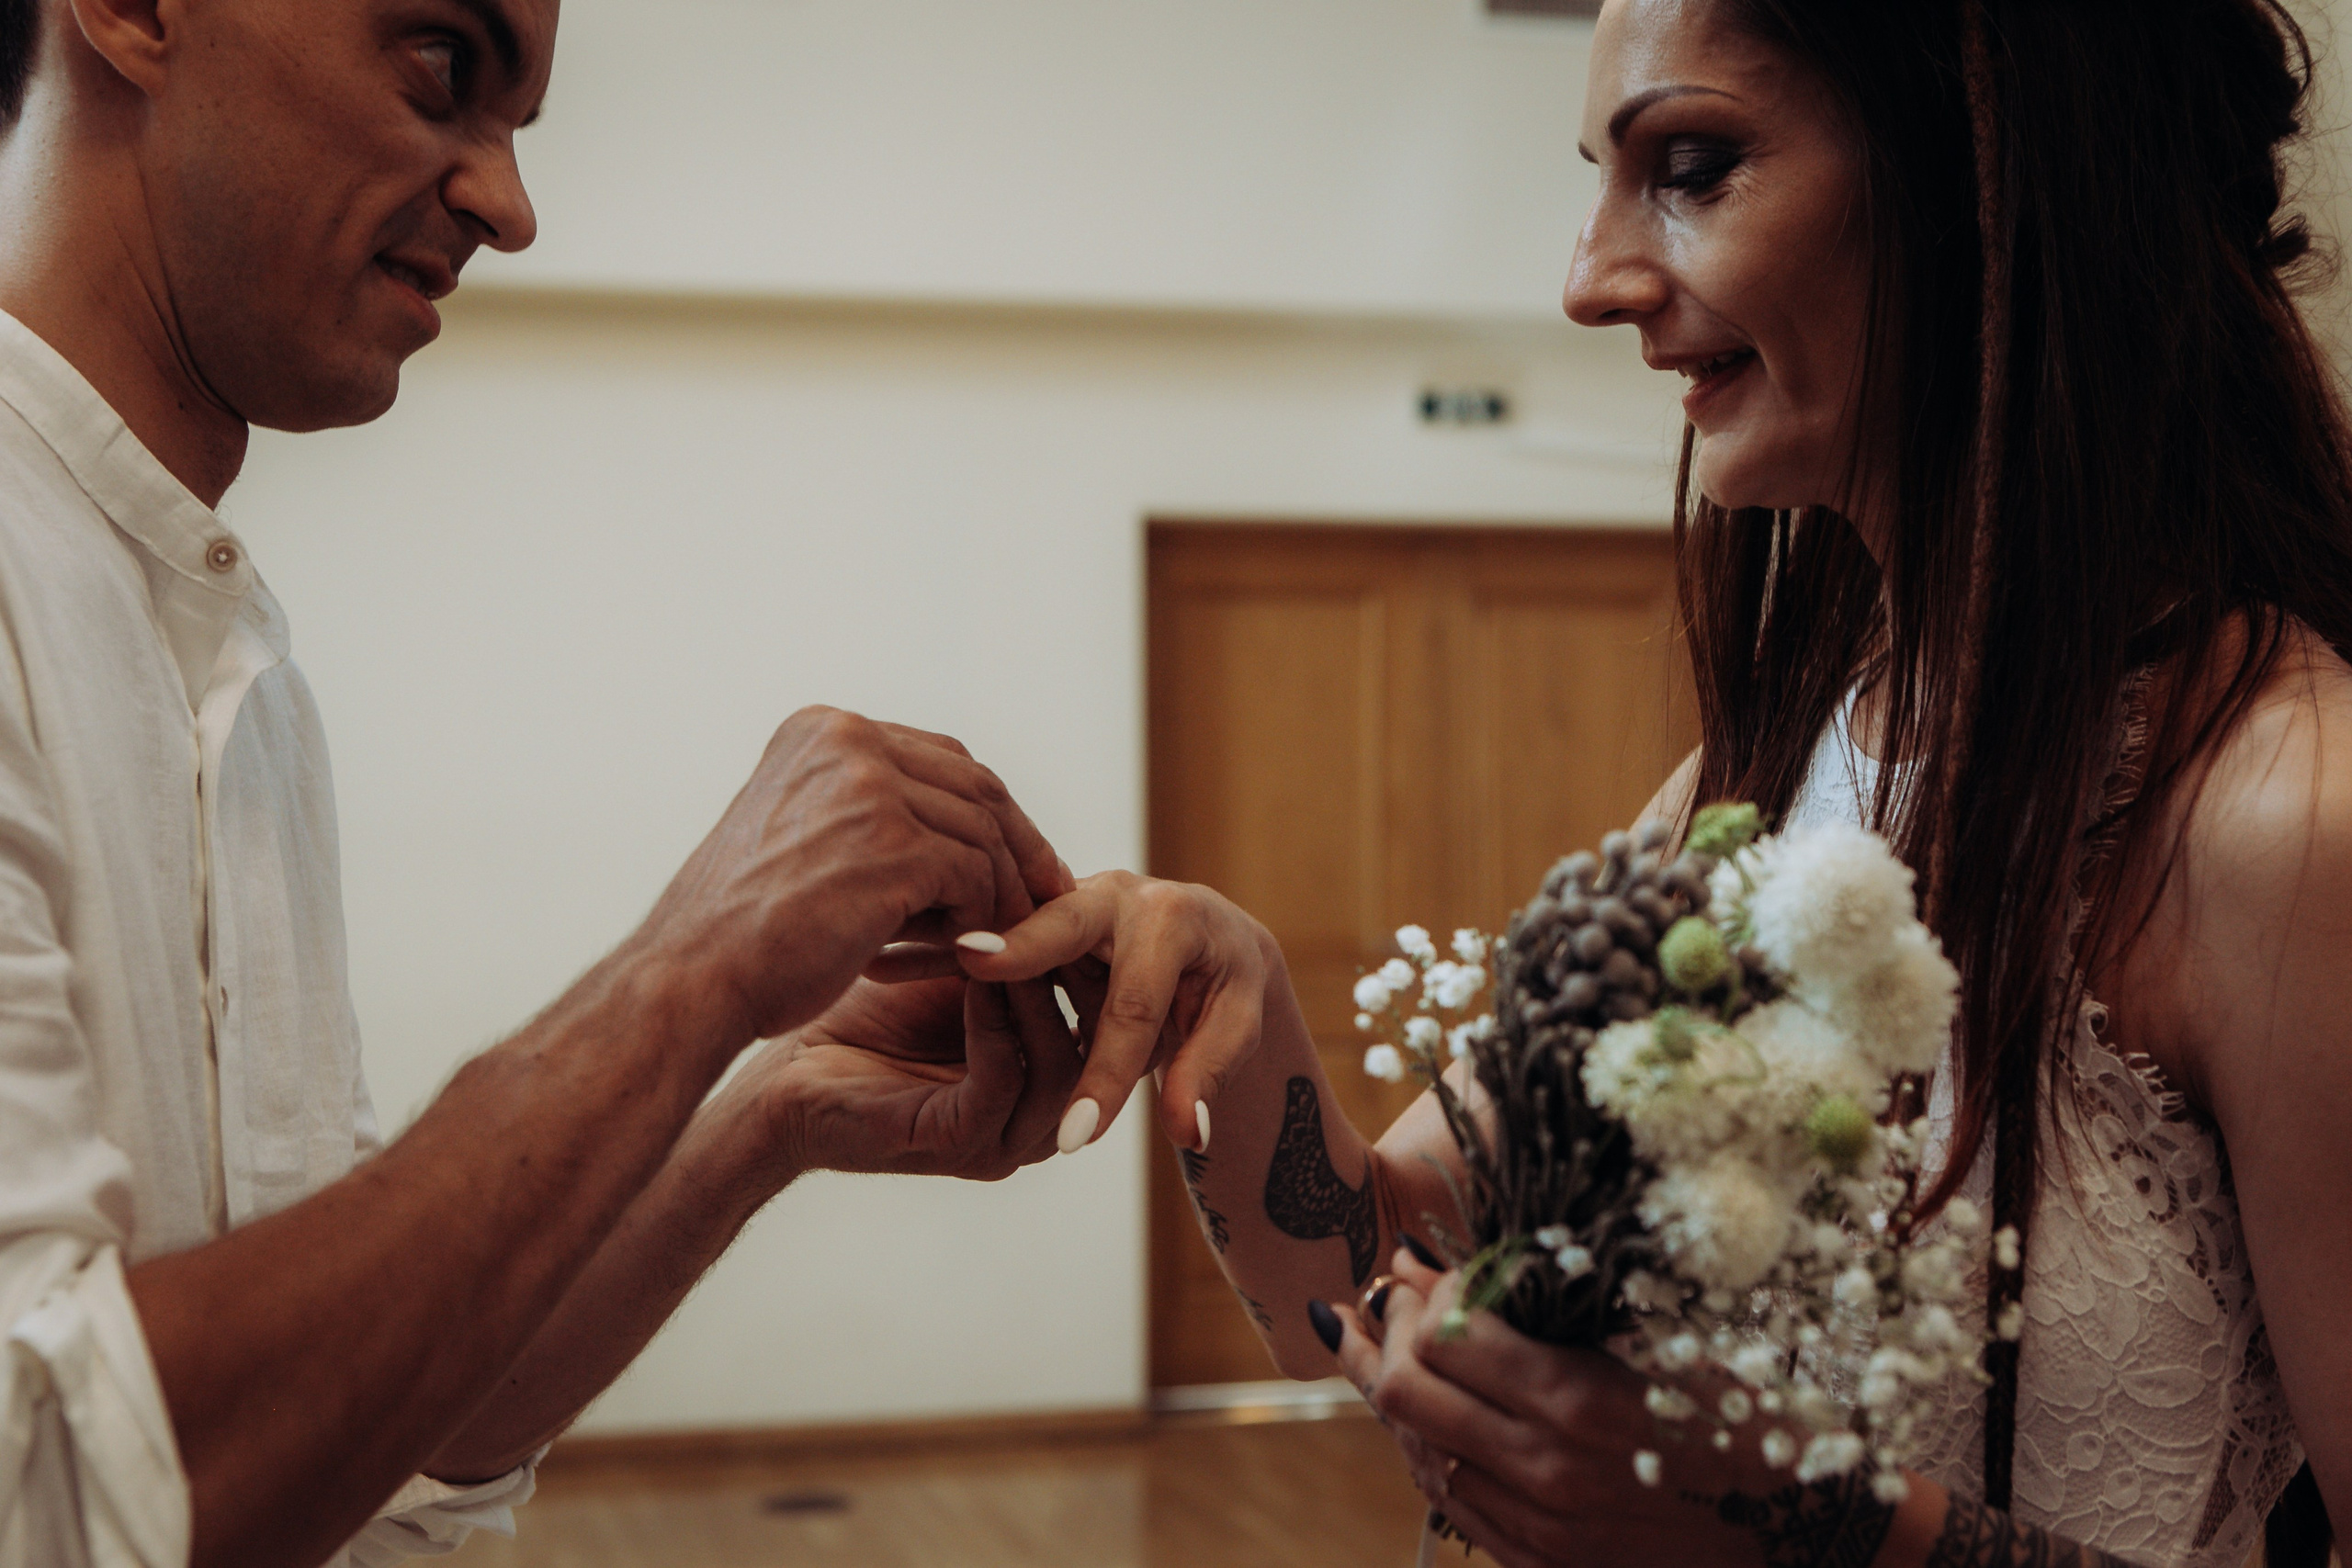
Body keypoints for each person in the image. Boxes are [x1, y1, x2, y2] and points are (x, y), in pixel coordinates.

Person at [956, 0, 2352, 1564]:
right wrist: (1231, 1005)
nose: (1588, 278)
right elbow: (1355, 1286)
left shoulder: (2287, 811)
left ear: (1990, 171)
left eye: (1689, 166)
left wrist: (1809, 1524)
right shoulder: (1745, 790)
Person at [0, 0, 1098, 1564]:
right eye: (444, 63)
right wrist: (692, 969)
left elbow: (373, 1430)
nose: (510, 206)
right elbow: (44, 1488)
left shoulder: (244, 675)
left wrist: (768, 1104)